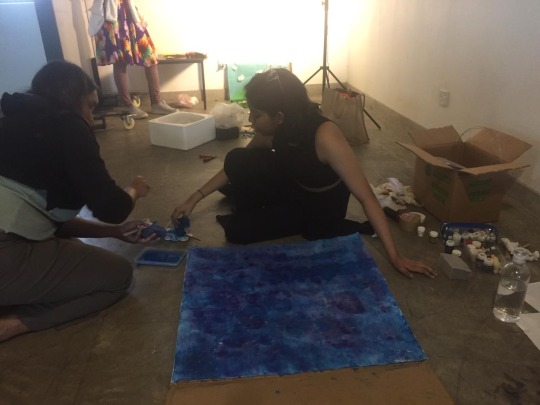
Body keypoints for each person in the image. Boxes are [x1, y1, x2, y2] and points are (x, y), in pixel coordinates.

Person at [170, 68, 436, 279]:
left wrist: (395, 256)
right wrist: (193, 198)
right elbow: (237, 165)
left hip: (319, 209)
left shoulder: (325, 136)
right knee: (237, 160)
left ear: (280, 116)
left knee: (238, 231)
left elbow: (366, 197)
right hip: (295, 185)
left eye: (257, 114)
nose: (251, 120)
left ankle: (261, 207)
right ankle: (255, 202)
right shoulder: (273, 130)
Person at [0, 60, 154, 343]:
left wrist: (114, 233)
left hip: (9, 237)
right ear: (73, 99)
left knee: (70, 247)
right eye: (90, 106)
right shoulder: (68, 126)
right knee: (117, 276)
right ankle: (10, 325)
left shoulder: (13, 120)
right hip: (6, 251)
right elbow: (113, 207)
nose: (91, 118)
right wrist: (134, 189)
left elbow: (49, 219)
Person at [88, 0, 177, 119]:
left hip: (128, 10)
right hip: (111, 13)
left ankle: (157, 102)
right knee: (120, 61)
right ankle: (127, 105)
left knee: (149, 56)